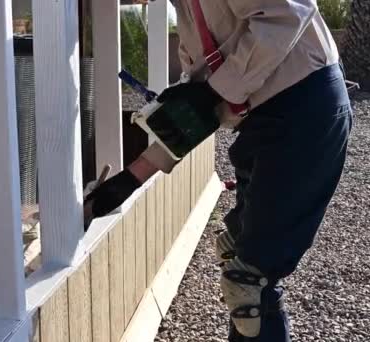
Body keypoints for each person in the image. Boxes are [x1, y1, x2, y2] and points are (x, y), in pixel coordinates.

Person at [84, 1, 353, 341]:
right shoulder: (186, 12)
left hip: (304, 111)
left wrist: (210, 92)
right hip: (263, 124)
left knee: (250, 280)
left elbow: (287, 15)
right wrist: (127, 182)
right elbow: (205, 106)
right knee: (240, 261)